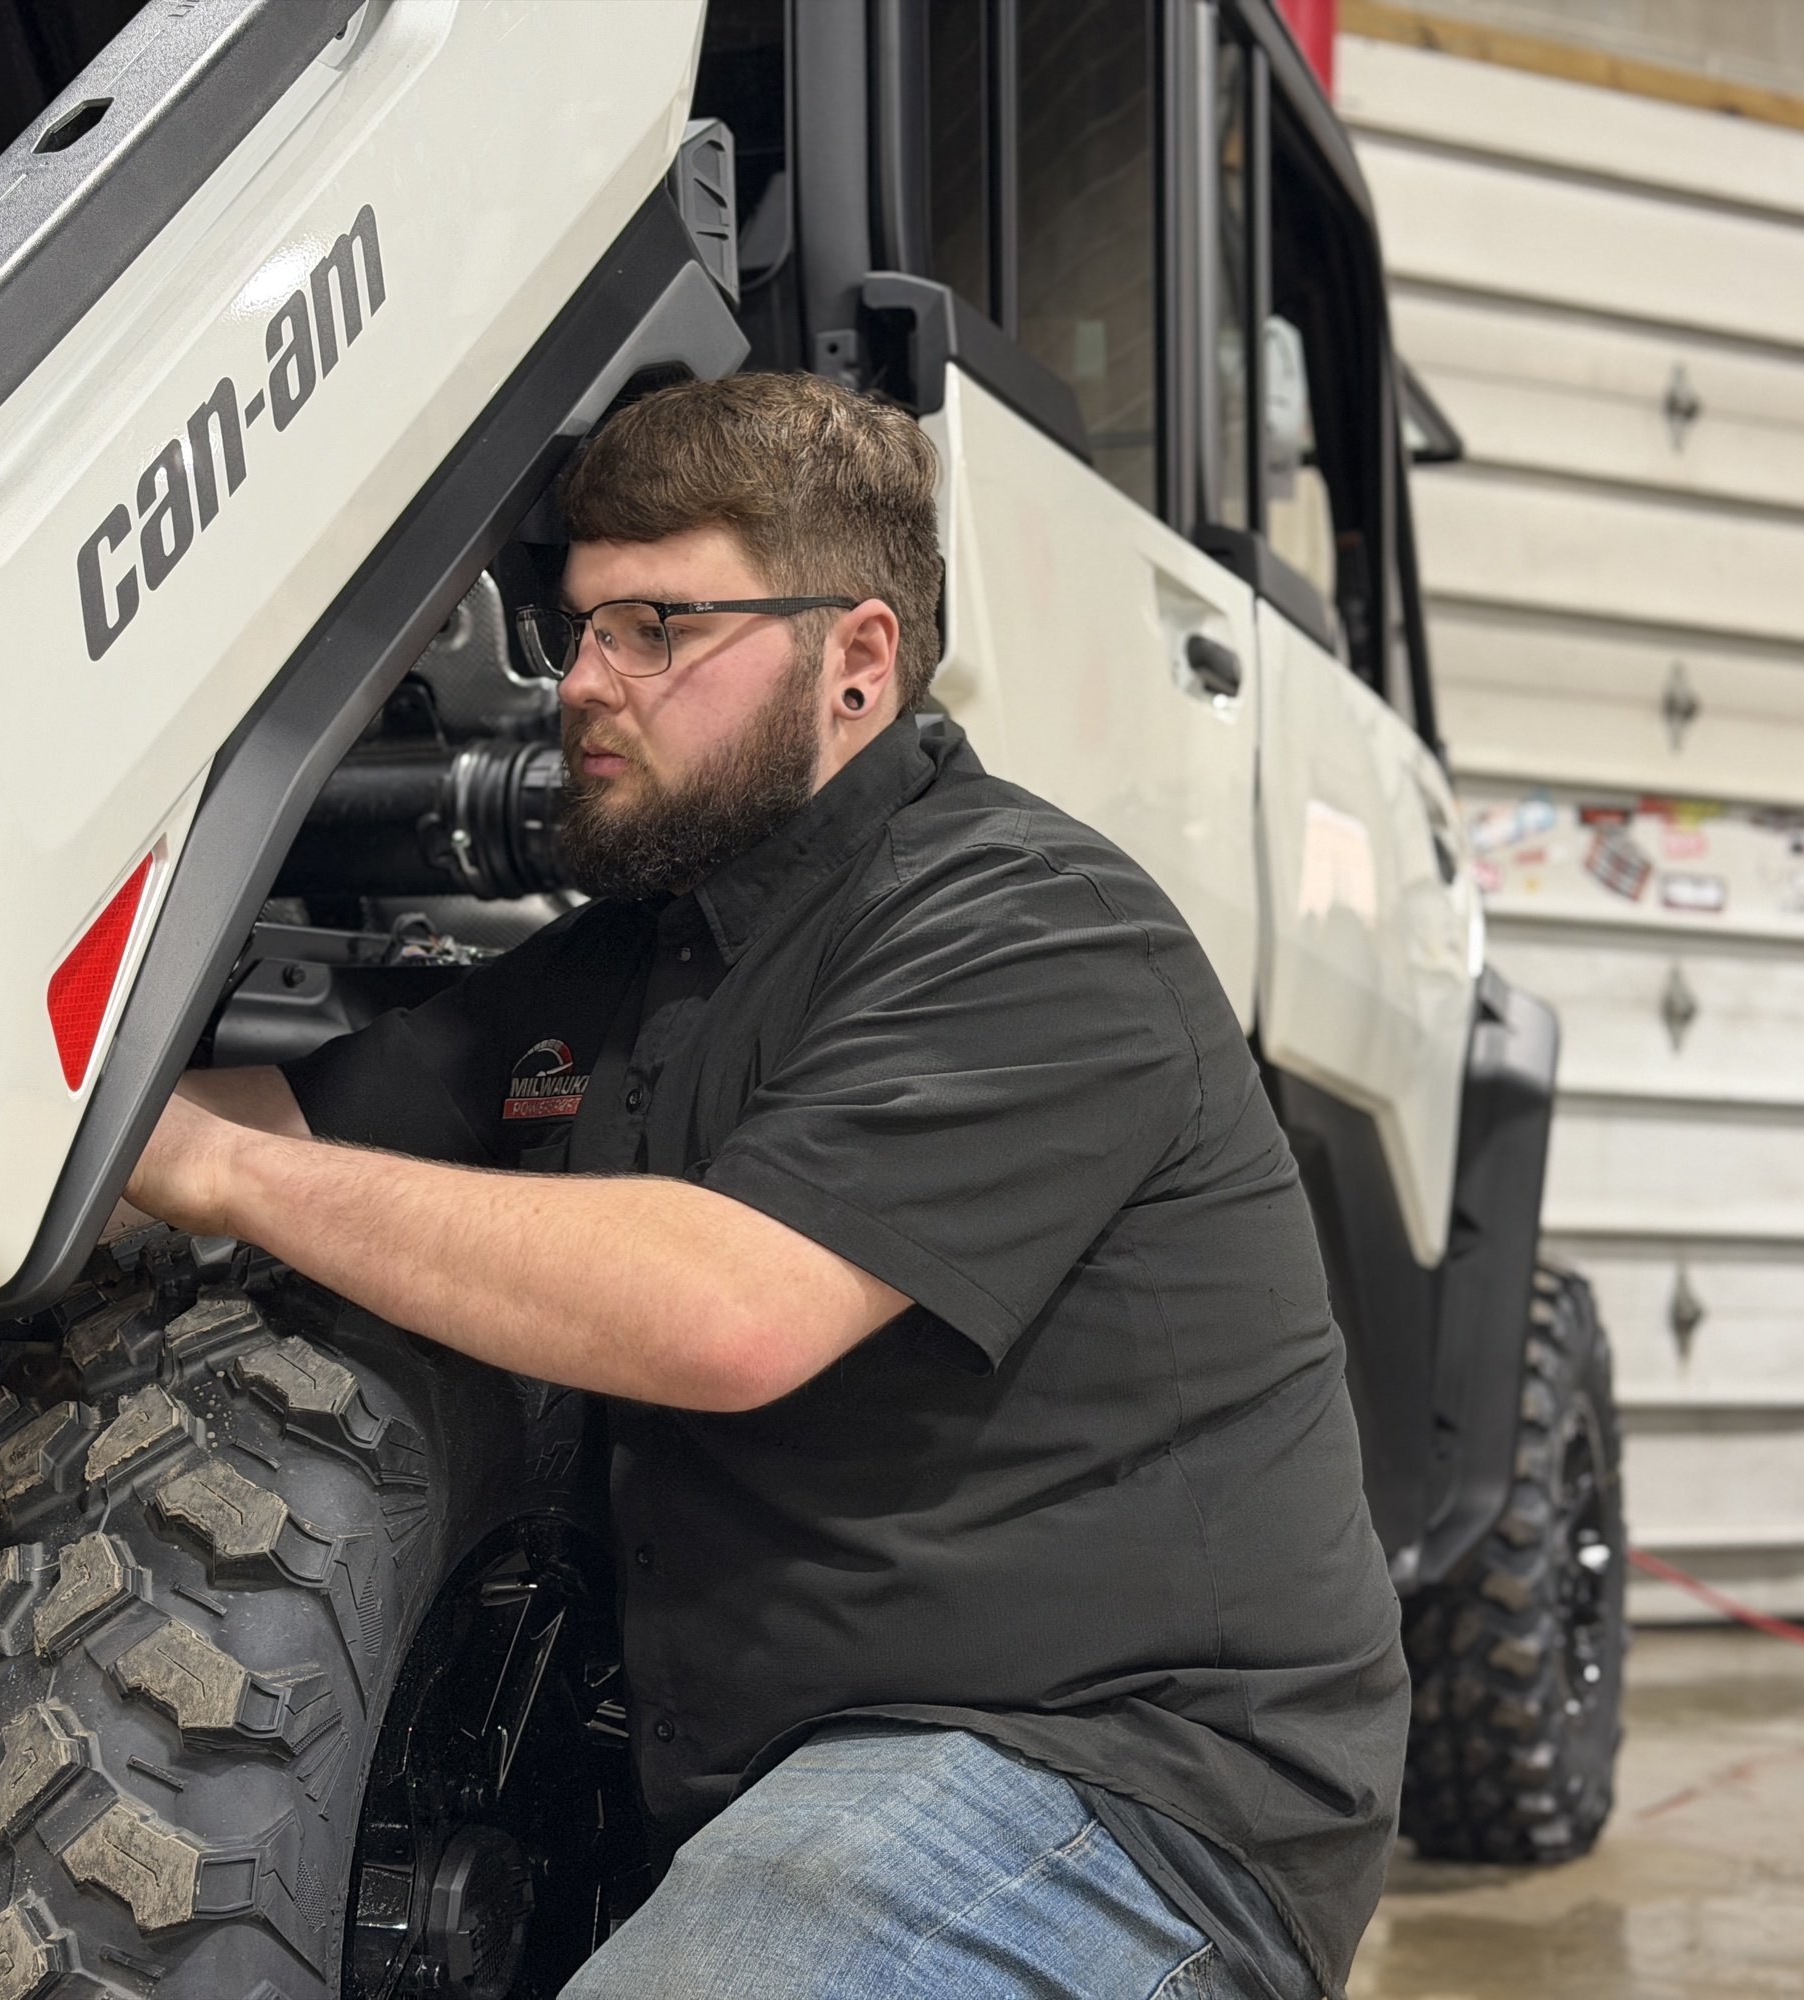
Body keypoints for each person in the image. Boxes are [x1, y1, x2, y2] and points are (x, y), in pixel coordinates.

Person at [124, 373, 1405, 2000]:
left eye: (657, 629)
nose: (586, 684)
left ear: (856, 659)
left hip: (1114, 1786)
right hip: (790, 1774)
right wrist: (41, 1146)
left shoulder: (1037, 926)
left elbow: (725, 1309)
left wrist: (216, 1171)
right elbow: (311, 1125)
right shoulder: (637, 962)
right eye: (577, 626)